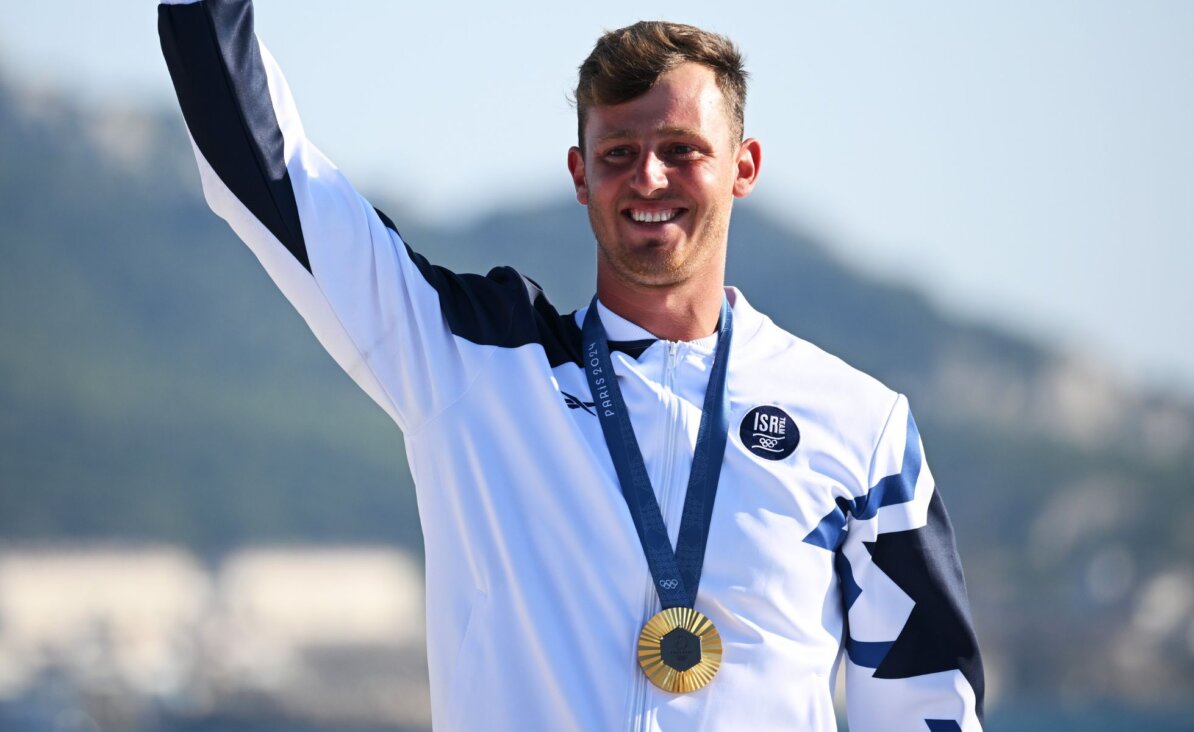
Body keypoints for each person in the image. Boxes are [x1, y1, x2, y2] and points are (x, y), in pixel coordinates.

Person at [157, 1, 984, 729]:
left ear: (743, 167)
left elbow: (926, 702)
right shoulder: (470, 362)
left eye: (682, 149)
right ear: (579, 175)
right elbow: (264, 171)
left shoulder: (859, 423)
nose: (648, 177)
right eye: (618, 152)